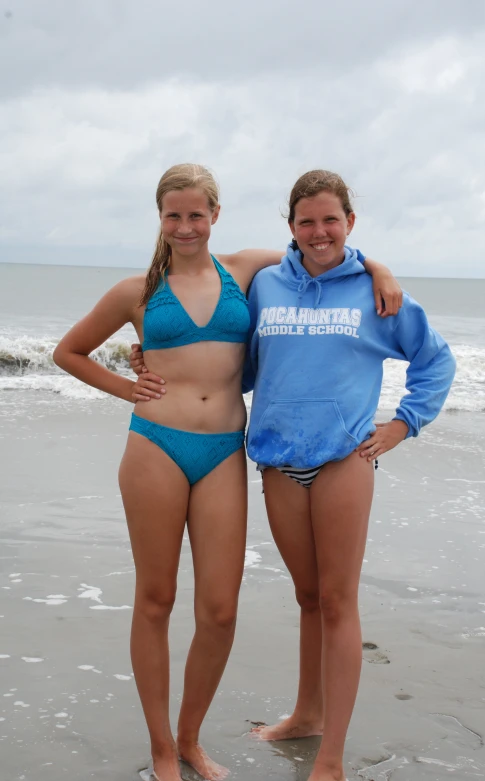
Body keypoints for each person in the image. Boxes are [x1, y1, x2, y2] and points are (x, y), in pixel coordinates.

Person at [53, 163, 402, 781]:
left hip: (224, 452)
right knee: (155, 599)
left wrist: (379, 268)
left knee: (219, 610)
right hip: (155, 446)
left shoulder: (246, 269)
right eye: (173, 214)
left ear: (215, 215)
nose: (185, 225)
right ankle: (162, 748)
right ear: (160, 219)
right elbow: (68, 352)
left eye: (196, 213)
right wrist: (127, 387)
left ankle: (190, 739)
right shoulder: (134, 291)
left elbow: (320, 250)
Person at [132, 168, 456, 781]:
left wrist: (403, 423)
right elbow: (239, 361)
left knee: (337, 600)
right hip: (277, 461)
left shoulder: (374, 291)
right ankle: (307, 715)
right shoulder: (267, 286)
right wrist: (158, 359)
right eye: (306, 221)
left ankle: (330, 758)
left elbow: (434, 359)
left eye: (331, 219)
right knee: (308, 597)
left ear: (350, 224)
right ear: (290, 228)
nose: (319, 231)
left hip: (343, 460)